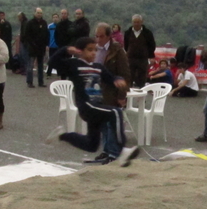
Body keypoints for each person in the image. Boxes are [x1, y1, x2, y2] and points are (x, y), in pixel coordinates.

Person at [46, 37, 139, 167]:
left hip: (96, 107)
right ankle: (122, 151)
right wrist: (66, 50)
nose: (94, 53)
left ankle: (62, 135)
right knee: (116, 112)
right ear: (80, 51)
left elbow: (110, 78)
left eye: (95, 50)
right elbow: (52, 62)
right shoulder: (74, 65)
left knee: (91, 145)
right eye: (90, 50)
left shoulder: (98, 67)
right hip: (86, 106)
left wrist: (117, 80)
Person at [94, 22, 131, 163]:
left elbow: (125, 75)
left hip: (112, 93)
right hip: (97, 92)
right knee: (102, 124)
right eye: (96, 36)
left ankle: (114, 153)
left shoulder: (118, 51)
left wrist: (122, 95)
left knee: (112, 124)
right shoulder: (96, 49)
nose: (98, 39)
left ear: (109, 36)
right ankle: (105, 150)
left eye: (101, 36)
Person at [124, 14, 156, 88]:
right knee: (129, 76)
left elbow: (152, 45)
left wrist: (151, 56)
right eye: (134, 22)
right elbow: (126, 45)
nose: (136, 24)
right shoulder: (127, 32)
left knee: (142, 77)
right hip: (130, 58)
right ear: (132, 22)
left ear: (142, 22)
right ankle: (128, 95)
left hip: (143, 58)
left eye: (138, 22)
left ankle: (141, 96)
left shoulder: (147, 33)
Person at [24, 8, 48, 88]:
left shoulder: (44, 23)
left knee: (40, 66)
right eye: (38, 13)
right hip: (32, 47)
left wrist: (46, 44)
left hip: (41, 47)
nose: (39, 14)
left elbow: (46, 34)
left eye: (40, 13)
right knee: (30, 65)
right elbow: (27, 35)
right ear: (34, 13)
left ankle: (40, 82)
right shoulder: (30, 23)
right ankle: (29, 81)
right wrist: (32, 44)